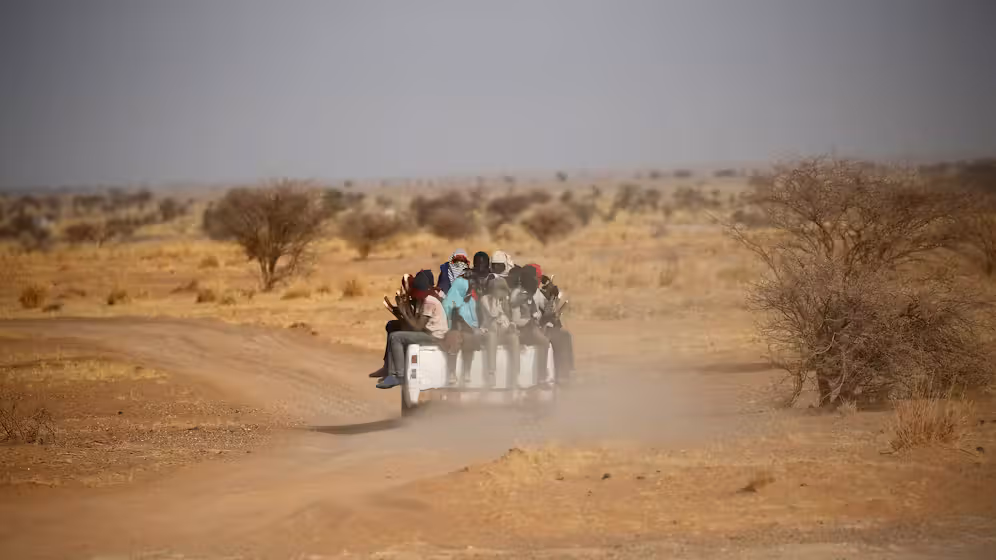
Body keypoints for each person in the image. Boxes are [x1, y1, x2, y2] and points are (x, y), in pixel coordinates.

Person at [375, 270, 448, 389]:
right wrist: (402, 311)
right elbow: (414, 322)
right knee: (395, 329)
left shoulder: (429, 301)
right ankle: (391, 370)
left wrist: (403, 310)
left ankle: (399, 375)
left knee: (396, 337)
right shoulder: (424, 299)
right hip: (428, 333)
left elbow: (417, 327)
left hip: (434, 337)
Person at [510, 265, 550, 382]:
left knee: (546, 336)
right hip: (521, 330)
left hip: (530, 327)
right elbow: (515, 318)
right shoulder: (518, 293)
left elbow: (535, 313)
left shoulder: (529, 293)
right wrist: (530, 322)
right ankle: (541, 375)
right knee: (544, 341)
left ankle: (542, 373)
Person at [442, 275, 483, 385]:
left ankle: (467, 372)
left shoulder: (471, 302)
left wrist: (470, 326)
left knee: (469, 338)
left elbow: (474, 320)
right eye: (467, 289)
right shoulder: (447, 303)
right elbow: (446, 321)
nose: (469, 292)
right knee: (453, 337)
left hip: (466, 329)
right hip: (451, 329)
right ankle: (452, 372)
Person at [480, 275, 518, 387]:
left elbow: (509, 319)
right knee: (492, 335)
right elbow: (492, 314)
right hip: (489, 329)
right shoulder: (485, 299)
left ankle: (515, 376)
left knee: (514, 338)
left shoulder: (505, 300)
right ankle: (491, 373)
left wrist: (511, 325)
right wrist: (496, 300)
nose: (503, 292)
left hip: (503, 331)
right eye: (500, 289)